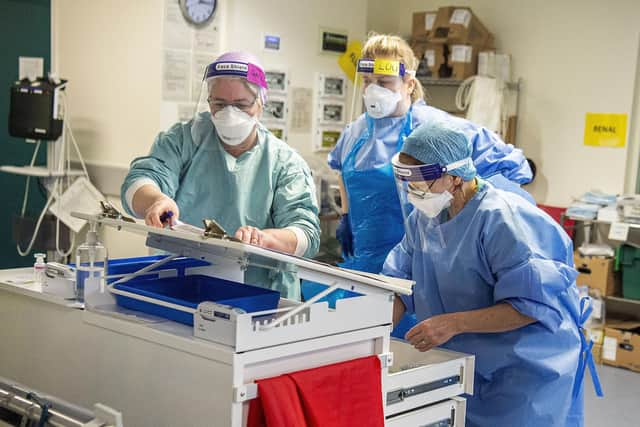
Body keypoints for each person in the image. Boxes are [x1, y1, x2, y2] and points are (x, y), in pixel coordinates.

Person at [382, 121, 602, 427]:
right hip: (469, 363)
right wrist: (374, 335)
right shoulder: (425, 218)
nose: (412, 193)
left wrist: (453, 323)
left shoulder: (503, 221)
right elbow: (399, 280)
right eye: (406, 183)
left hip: (525, 369)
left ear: (455, 178)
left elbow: (532, 306)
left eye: (419, 183)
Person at [120, 51, 320, 299]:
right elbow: (141, 180)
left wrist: (266, 239)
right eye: (219, 103)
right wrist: (156, 201)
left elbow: (306, 234)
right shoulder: (186, 139)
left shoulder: (284, 162)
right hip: (183, 286)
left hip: (258, 297)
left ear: (261, 103)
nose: (229, 113)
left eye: (241, 105)